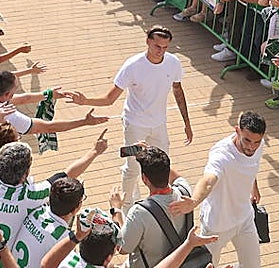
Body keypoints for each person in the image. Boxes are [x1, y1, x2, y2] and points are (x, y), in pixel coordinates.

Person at [61, 27, 192, 201]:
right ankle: (127, 204)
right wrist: (85, 101)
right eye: (157, 46)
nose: (160, 51)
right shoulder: (132, 66)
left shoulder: (173, 62)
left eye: (165, 47)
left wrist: (187, 123)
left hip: (159, 125)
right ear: (148, 41)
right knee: (133, 169)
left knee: (163, 166)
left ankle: (163, 201)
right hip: (134, 125)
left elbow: (178, 90)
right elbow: (109, 99)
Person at [170, 111, 265, 268]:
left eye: (256, 142)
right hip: (216, 224)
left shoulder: (258, 145)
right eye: (247, 140)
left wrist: (253, 187)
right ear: (237, 131)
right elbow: (208, 181)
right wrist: (194, 201)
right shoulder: (221, 155)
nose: (251, 146)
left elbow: (251, 163)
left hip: (244, 219)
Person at [120, 146, 195, 268]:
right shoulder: (185, 192)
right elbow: (176, 177)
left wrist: (116, 211)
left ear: (144, 179)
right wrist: (156, 160)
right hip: (183, 265)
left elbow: (123, 248)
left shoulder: (139, 212)